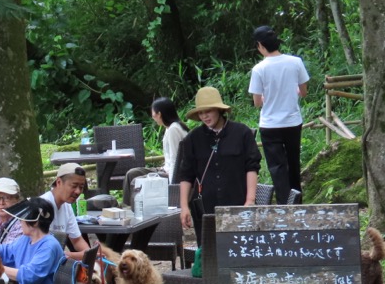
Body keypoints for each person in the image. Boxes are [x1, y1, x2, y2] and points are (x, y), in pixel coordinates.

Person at [177, 87, 262, 242]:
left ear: (218, 110)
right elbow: (186, 174)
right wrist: (184, 207)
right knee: (209, 253)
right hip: (205, 207)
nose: (205, 116)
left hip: (237, 204)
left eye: (208, 111)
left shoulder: (242, 133)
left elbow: (252, 167)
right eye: (201, 113)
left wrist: (250, 201)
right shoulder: (193, 139)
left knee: (239, 248)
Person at [248, 25, 310, 204]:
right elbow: (303, 92)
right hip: (292, 122)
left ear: (260, 45)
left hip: (270, 125)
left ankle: (284, 205)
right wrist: (292, 92)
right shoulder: (295, 62)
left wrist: (268, 97)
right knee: (293, 162)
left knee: (277, 167)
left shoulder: (259, 69)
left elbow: (257, 102)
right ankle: (297, 203)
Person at [122, 97, 189, 205]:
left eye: (153, 113)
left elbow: (175, 159)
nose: (152, 116)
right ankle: (126, 207)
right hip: (165, 169)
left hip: (172, 175)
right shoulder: (170, 128)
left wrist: (173, 187)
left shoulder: (174, 130)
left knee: (136, 181)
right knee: (131, 174)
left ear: (160, 114)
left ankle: (133, 210)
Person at [41, 163, 89, 260]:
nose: (78, 192)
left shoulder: (67, 206)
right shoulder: (42, 206)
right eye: (74, 186)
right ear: (59, 182)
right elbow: (44, 250)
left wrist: (91, 254)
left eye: (81, 187)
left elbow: (77, 240)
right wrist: (75, 255)